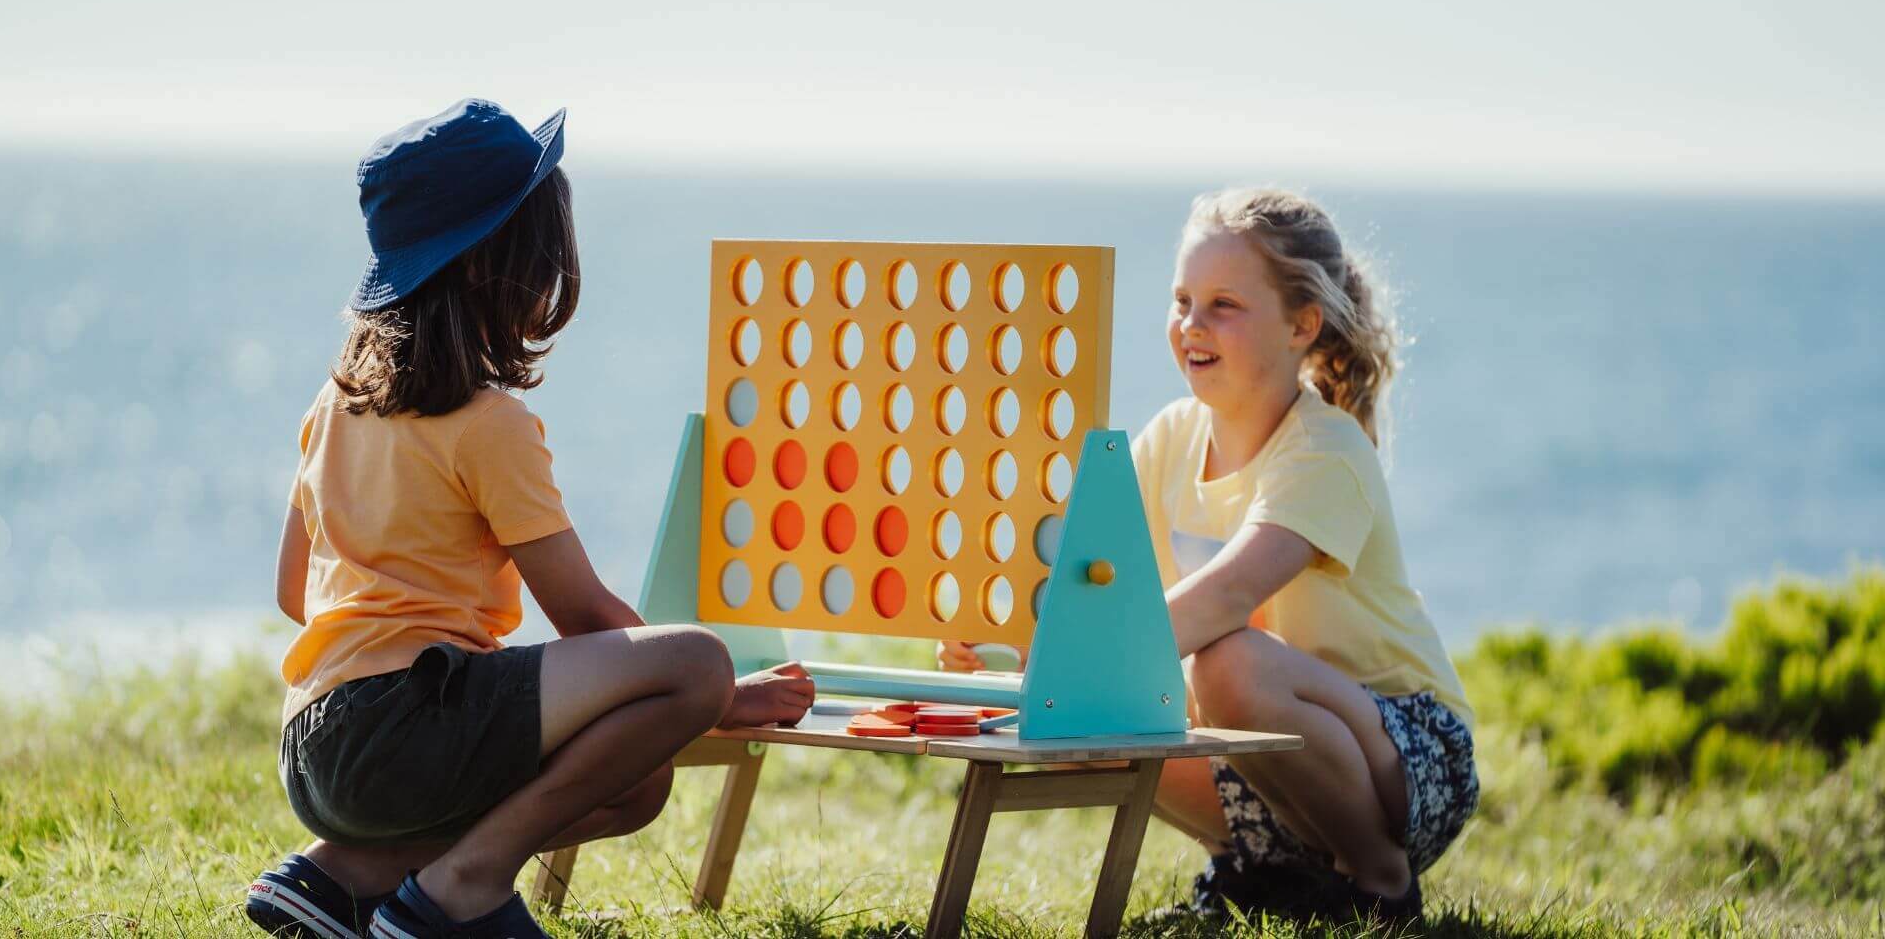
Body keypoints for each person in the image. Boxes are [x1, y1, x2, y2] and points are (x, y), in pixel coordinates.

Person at [245, 99, 814, 939]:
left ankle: (344, 878)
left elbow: (296, 592)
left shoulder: (336, 403)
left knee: (637, 779)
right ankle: (462, 889)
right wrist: (720, 695)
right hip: (396, 731)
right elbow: (583, 616)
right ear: (505, 266)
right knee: (693, 662)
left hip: (311, 748)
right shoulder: (488, 424)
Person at [941, 188, 1476, 923]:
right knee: (1092, 705)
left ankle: (1380, 884)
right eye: (1182, 299)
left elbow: (1224, 600)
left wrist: (1070, 659)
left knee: (1221, 661)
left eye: (1224, 304)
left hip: (1410, 760)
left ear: (1302, 325)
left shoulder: (1326, 451)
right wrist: (1006, 641)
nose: (1192, 323)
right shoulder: (1170, 438)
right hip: (1274, 757)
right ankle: (1263, 877)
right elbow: (1082, 582)